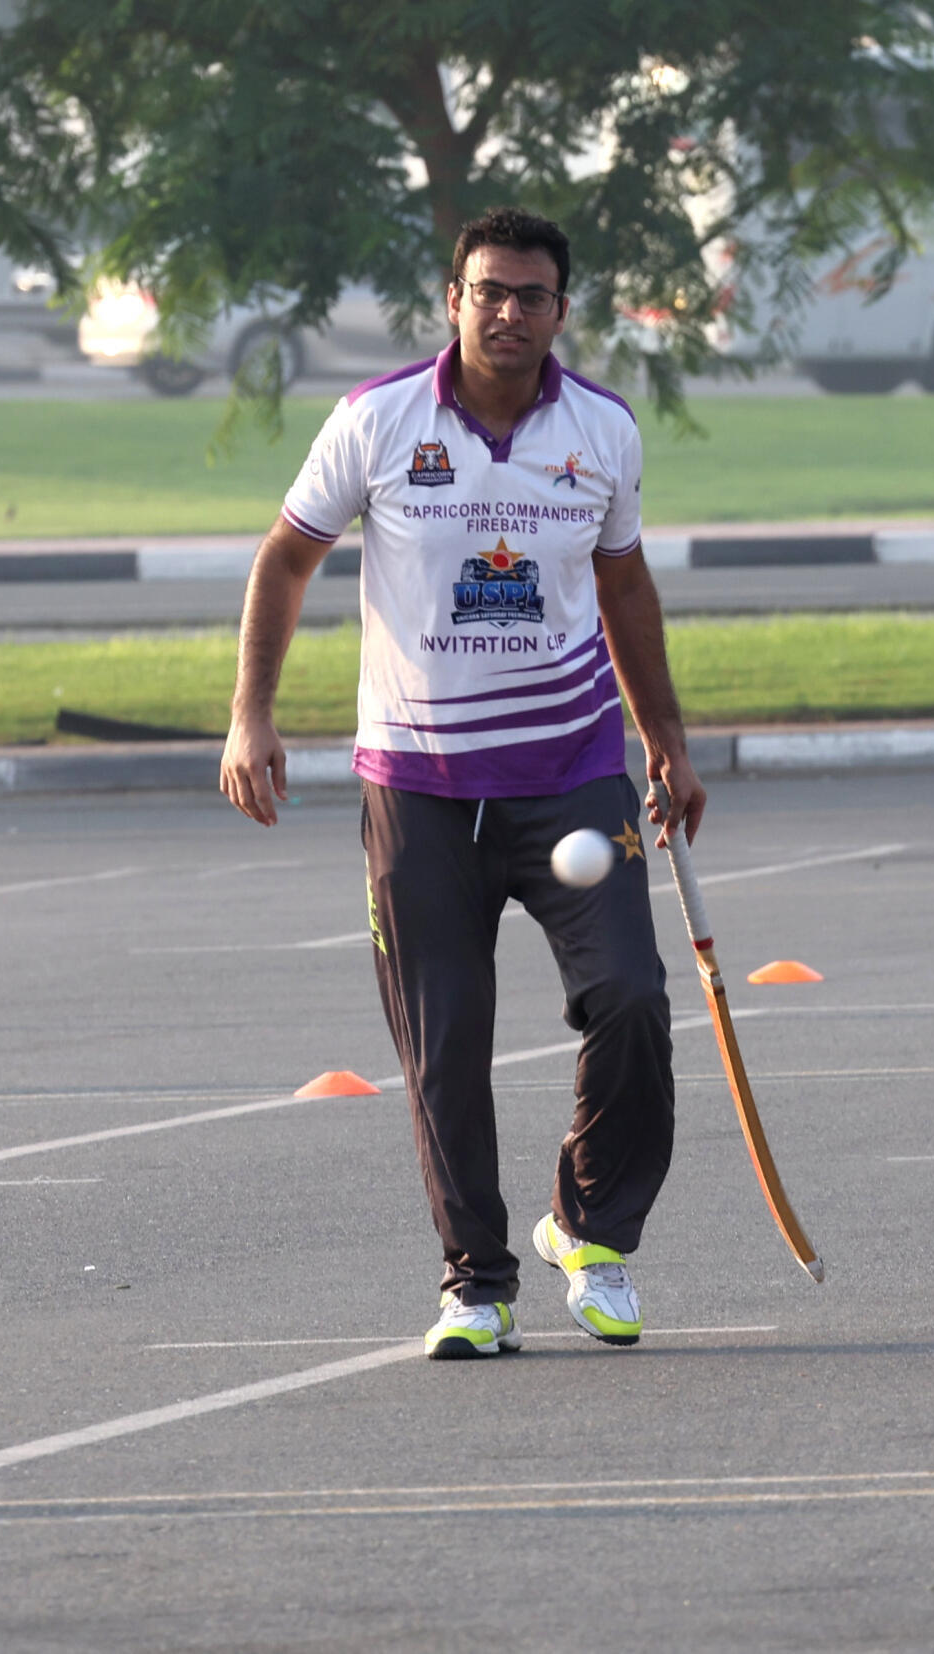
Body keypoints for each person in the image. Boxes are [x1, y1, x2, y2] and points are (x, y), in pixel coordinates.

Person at [220, 205, 708, 1360]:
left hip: (572, 769)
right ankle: (476, 1285)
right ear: (454, 299)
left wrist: (668, 737)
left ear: (560, 311)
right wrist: (251, 712)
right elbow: (286, 555)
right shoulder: (378, 420)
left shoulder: (600, 430)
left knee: (633, 996)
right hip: (419, 783)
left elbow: (625, 586)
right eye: (487, 291)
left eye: (530, 295)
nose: (507, 312)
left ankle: (589, 1233)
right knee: (445, 1042)